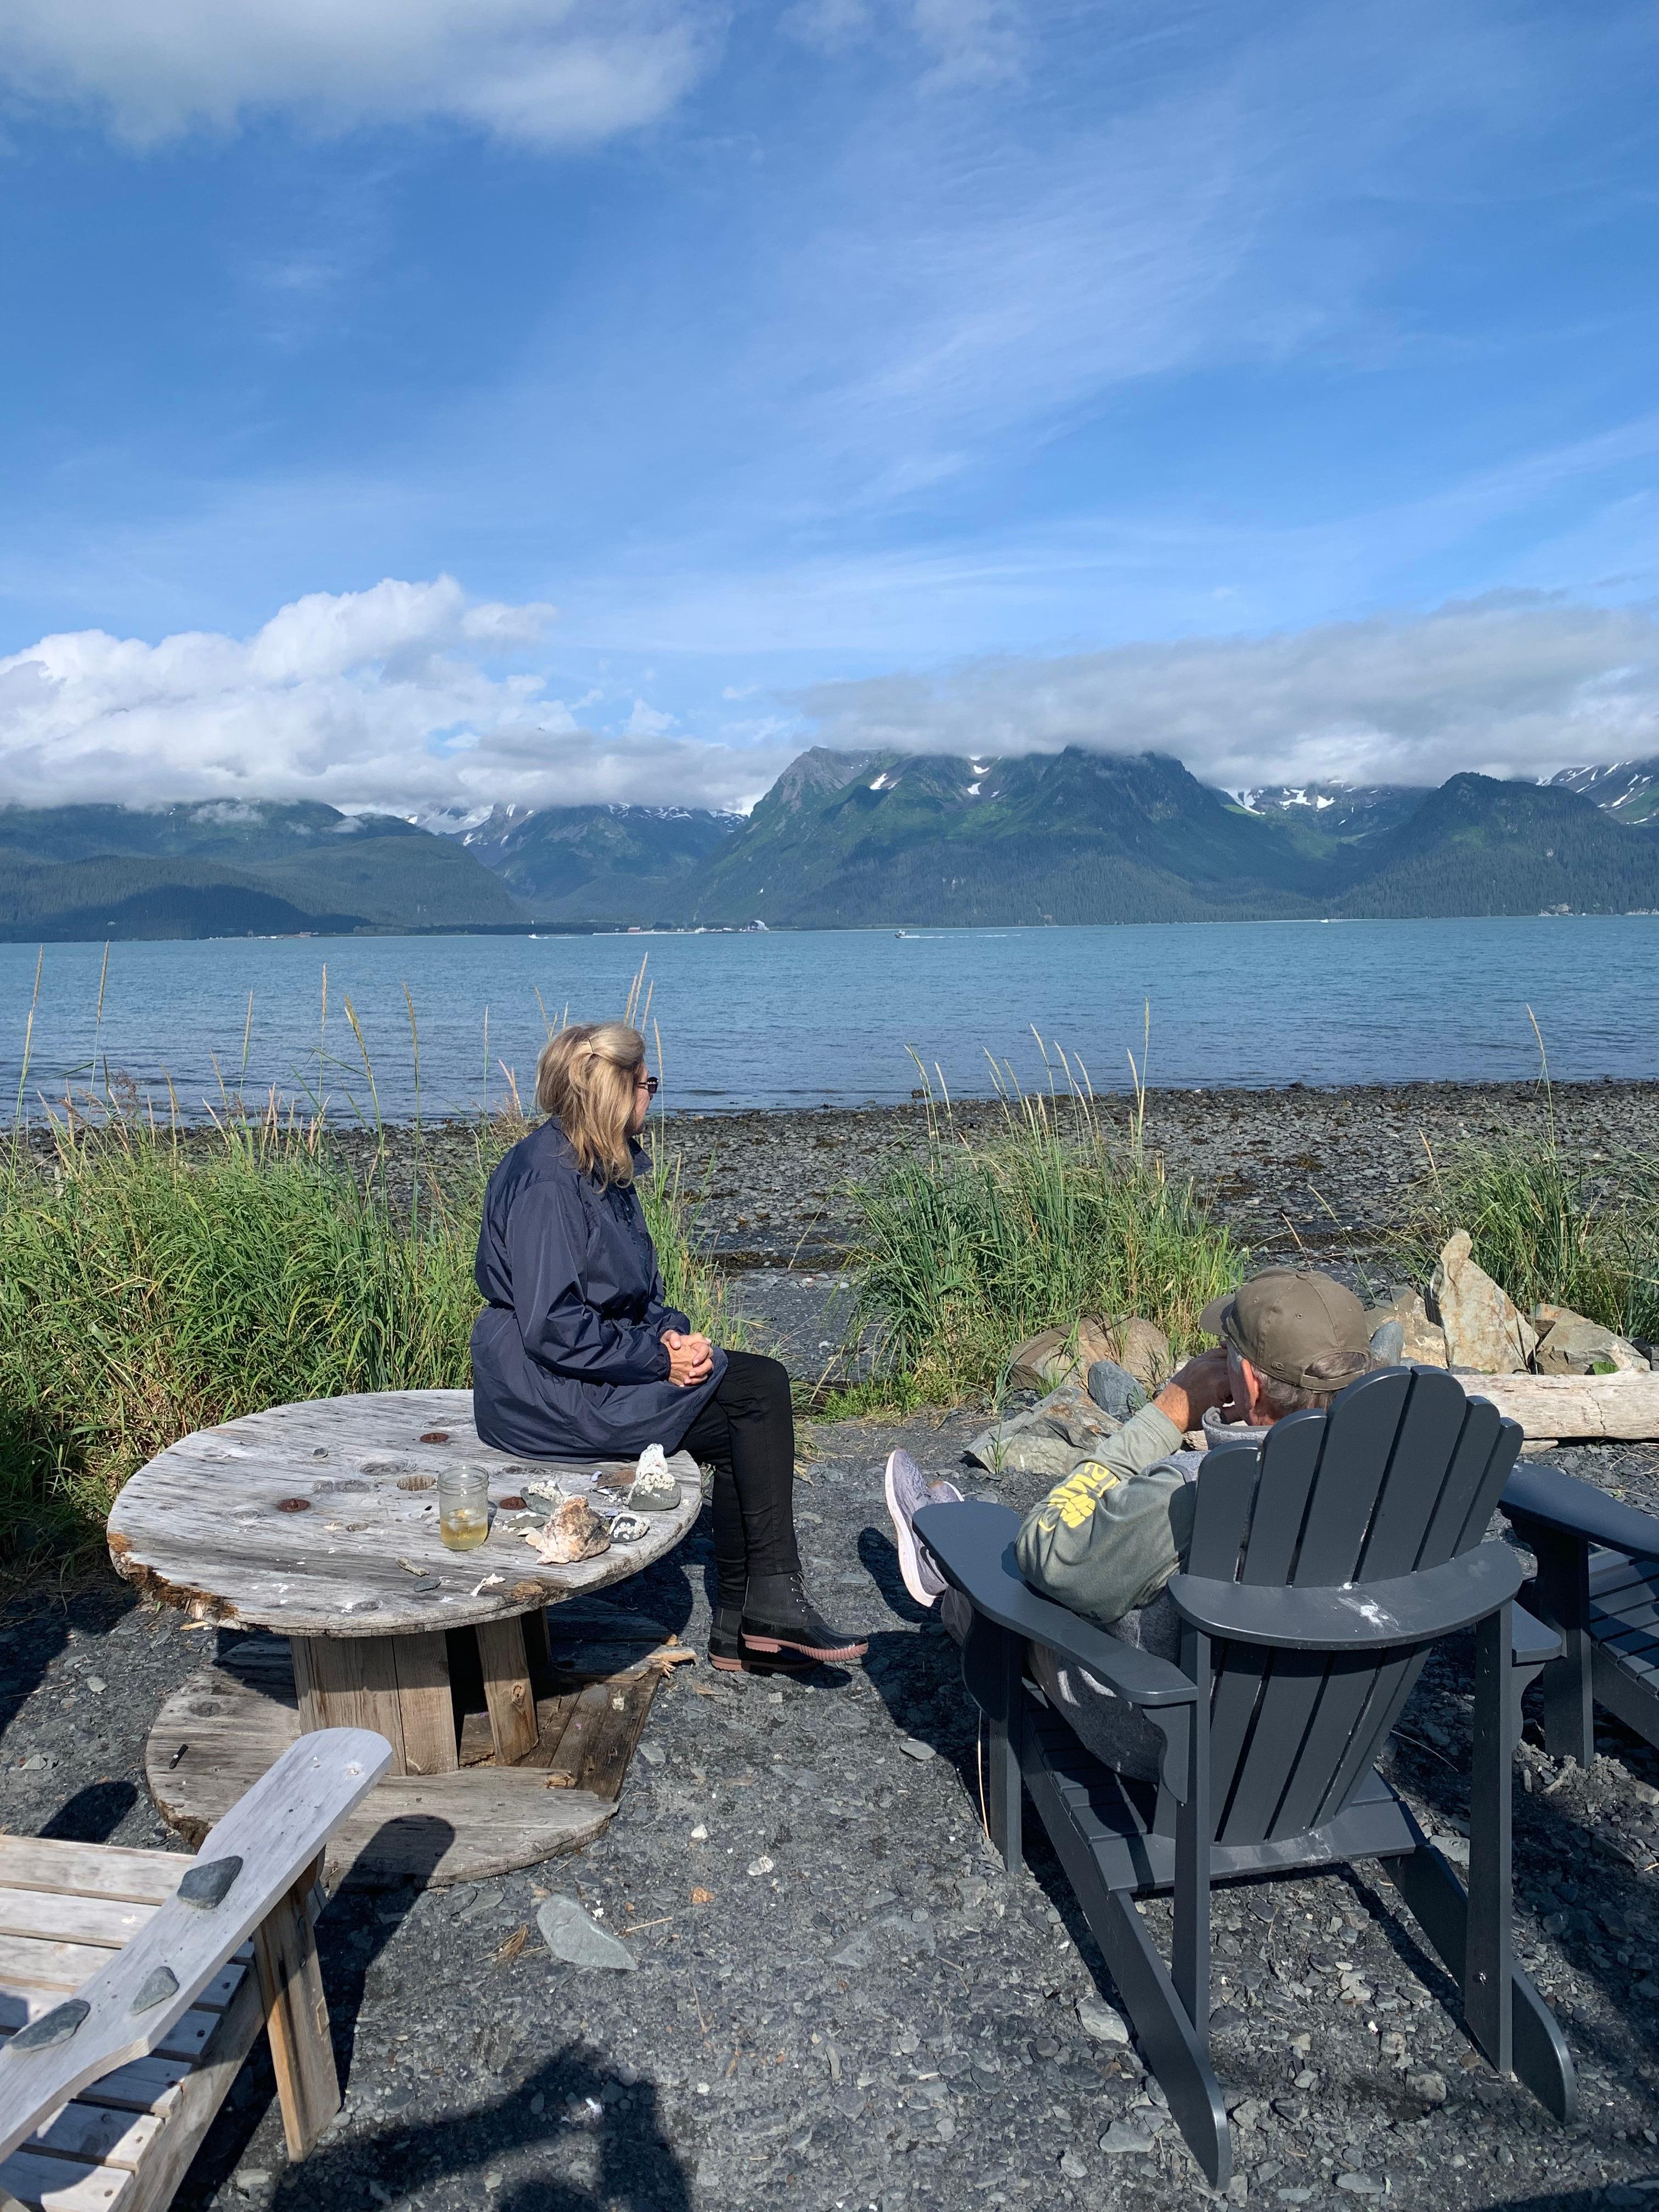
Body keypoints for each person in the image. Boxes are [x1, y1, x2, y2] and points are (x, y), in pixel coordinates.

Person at [472, 1020, 867, 1673]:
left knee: (752, 1396)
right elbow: (553, 1327)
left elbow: (634, 1293)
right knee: (755, 1397)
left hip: (585, 1367)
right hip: (542, 1390)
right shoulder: (550, 1182)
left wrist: (672, 1335)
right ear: (614, 1092)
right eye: (647, 1083)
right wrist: (660, 1360)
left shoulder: (598, 1165)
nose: (653, 1095)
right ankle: (756, 1617)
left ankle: (755, 1619)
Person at [884, 1268, 1373, 1777]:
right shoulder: (1398, 1473)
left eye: (1226, 1350)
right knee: (1109, 1558)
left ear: (1249, 1383)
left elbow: (1043, 1549)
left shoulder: (1192, 1492)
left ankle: (944, 1577)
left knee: (1004, 1571)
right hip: (1327, 1743)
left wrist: (1166, 1414)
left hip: (1172, 1742)